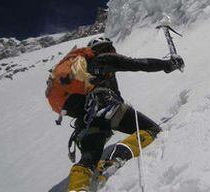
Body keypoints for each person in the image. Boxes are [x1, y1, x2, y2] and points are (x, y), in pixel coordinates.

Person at [45, 36, 184, 192]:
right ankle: (115, 158)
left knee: (89, 157)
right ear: (106, 47)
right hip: (107, 107)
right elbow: (137, 64)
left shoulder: (82, 72)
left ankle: (77, 188)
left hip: (85, 121)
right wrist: (167, 64)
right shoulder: (103, 58)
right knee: (152, 130)